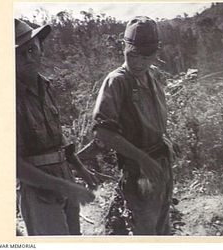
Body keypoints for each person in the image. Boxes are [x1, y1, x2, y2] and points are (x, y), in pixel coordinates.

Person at [15, 18, 98, 235]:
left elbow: (57, 137)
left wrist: (79, 167)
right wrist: (66, 187)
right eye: (19, 53)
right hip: (39, 190)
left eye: (32, 49)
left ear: (41, 49)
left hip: (64, 177)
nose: (28, 57)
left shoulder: (45, 87)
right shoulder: (10, 98)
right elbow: (15, 166)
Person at [92, 16, 174, 235]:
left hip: (161, 163)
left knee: (163, 227)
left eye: (147, 56)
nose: (139, 62)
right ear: (123, 47)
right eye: (133, 54)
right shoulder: (117, 81)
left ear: (157, 52)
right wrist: (142, 159)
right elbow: (103, 132)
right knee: (145, 231)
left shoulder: (152, 75)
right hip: (138, 170)